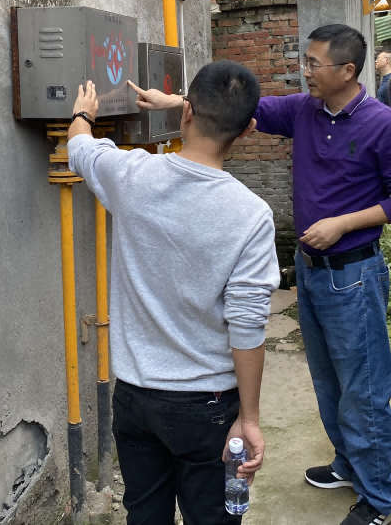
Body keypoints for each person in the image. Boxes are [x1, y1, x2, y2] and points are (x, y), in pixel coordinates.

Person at [133, 24, 391, 525]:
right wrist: (176, 101)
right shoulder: (304, 110)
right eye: (305, 61)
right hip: (311, 273)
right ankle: (348, 464)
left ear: (347, 71)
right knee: (328, 381)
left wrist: (343, 224)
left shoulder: (384, 125)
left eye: (313, 64)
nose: (304, 71)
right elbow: (235, 108)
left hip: (354, 274)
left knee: (364, 391)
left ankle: (378, 500)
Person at [67, 60, 281, 525]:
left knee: (145, 514)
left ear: (186, 112)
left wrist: (83, 114)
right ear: (247, 131)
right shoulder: (251, 215)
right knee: (214, 517)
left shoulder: (131, 175)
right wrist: (249, 419)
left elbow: (80, 147)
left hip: (134, 398)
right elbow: (247, 328)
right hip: (208, 406)